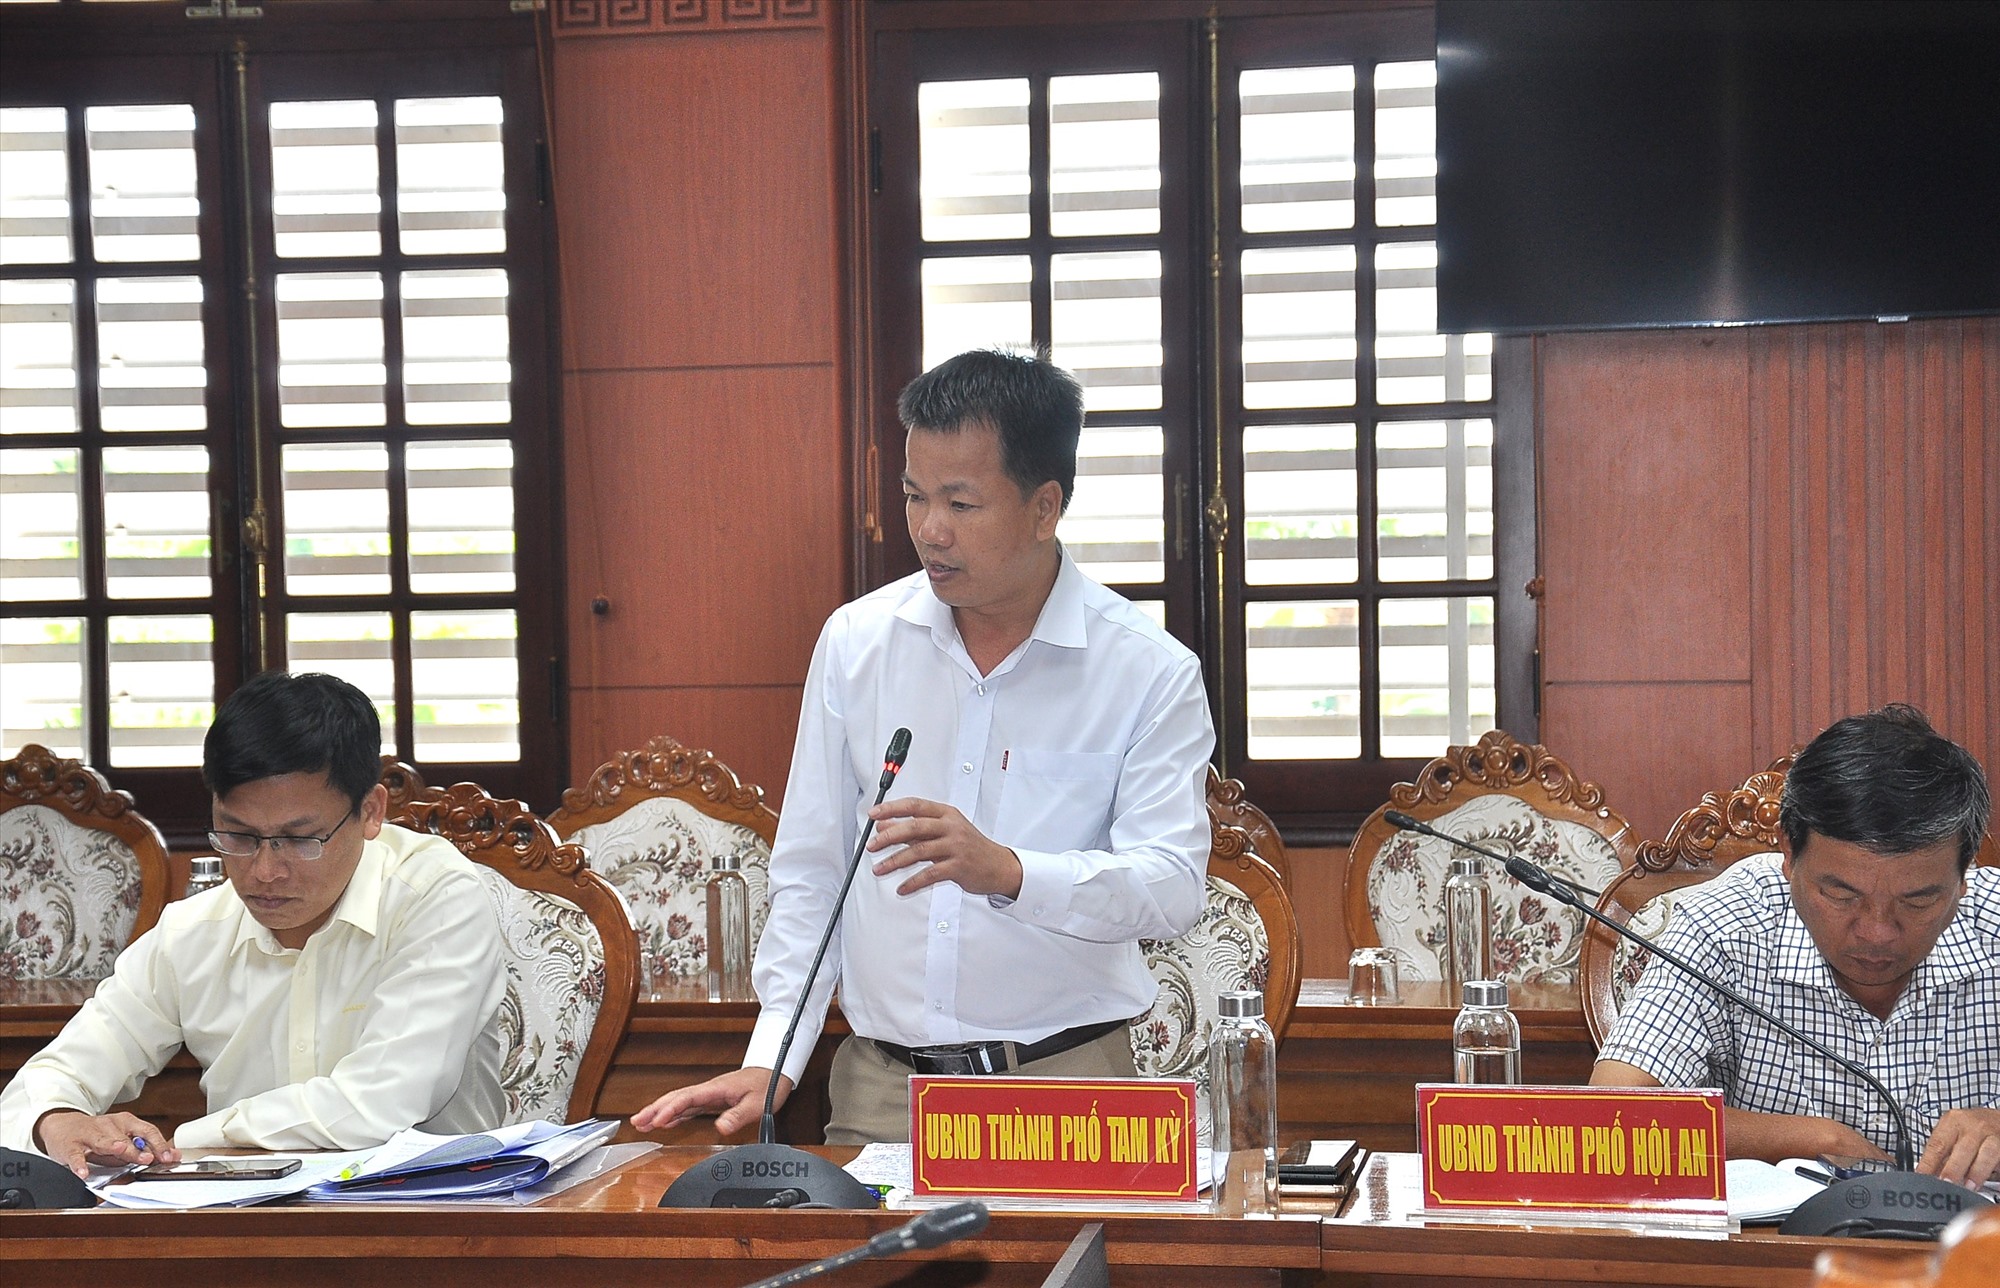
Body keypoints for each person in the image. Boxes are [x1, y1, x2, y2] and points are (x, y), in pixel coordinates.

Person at [632, 348, 1215, 1145]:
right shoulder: (857, 643)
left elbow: (1172, 885)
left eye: (961, 504)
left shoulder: (1147, 671)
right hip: (882, 1092)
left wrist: (1009, 871)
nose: (929, 530)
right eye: (913, 496)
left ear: (1045, 508)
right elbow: (813, 870)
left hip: (1068, 1087)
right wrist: (775, 1055)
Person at [0, 671, 508, 1177]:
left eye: (301, 839)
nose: (264, 872)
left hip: (435, 1220)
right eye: (237, 835)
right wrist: (55, 1119)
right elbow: (53, 1075)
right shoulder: (194, 931)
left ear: (370, 812)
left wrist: (190, 1140)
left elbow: (382, 1100)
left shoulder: (437, 898)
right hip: (243, 1223)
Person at [1592, 704, 2000, 1185]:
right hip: (1775, 1252)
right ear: (1789, 854)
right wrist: (1812, 1138)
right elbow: (1613, 1119)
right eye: (1842, 894)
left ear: (1965, 870)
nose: (1876, 932)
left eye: (1918, 900)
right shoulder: (1723, 925)